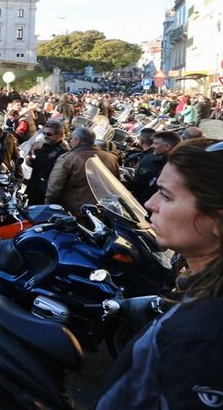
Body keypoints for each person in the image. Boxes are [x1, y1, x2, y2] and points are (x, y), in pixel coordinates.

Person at [98, 138, 223, 409]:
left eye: (166, 195)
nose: (149, 203)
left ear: (216, 219)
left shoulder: (204, 339)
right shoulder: (198, 287)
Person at [45, 126, 120, 214]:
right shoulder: (111, 158)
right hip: (103, 212)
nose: (70, 141)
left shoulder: (67, 158)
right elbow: (116, 185)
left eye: (72, 138)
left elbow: (54, 188)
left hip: (75, 213)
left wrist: (49, 207)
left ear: (78, 140)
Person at [25, 120, 70, 206]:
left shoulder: (63, 152)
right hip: (34, 188)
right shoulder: (43, 145)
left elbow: (51, 170)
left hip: (46, 193)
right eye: (44, 133)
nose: (45, 136)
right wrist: (32, 152)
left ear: (60, 135)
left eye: (49, 134)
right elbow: (32, 163)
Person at [130, 130, 180, 203]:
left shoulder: (176, 169)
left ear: (167, 147)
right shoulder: (152, 160)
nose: (152, 146)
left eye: (155, 144)